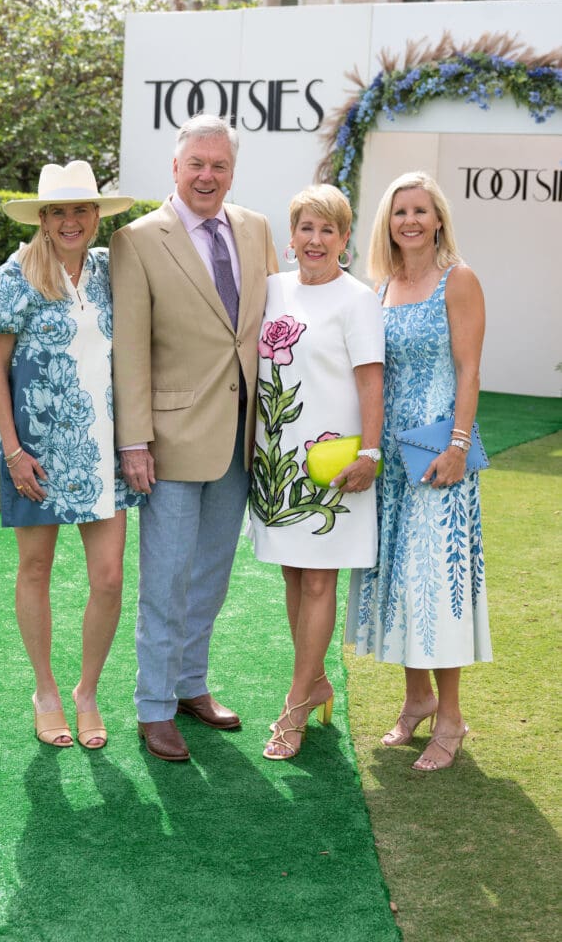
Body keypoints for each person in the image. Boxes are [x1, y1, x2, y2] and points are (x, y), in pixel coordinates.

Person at [110, 113, 279, 762]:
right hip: (170, 442)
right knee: (166, 578)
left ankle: (189, 686)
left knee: (209, 574)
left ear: (231, 172)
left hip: (241, 439)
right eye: (196, 164)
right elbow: (130, 349)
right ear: (174, 168)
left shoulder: (256, 228)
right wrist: (134, 442)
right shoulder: (136, 242)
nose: (207, 175)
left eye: (219, 165)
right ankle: (153, 707)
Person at [0, 160, 143, 750]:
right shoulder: (9, 281)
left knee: (111, 577)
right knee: (36, 568)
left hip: (102, 452)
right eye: (60, 211)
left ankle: (86, 690)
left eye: (82, 209)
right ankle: (45, 689)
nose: (72, 221)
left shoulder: (111, 273)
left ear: (97, 216)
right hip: (36, 453)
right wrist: (13, 451)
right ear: (43, 219)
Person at [346, 170, 492, 771]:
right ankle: (416, 700)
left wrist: (457, 446)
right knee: (403, 583)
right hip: (392, 462)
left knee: (437, 586)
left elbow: (470, 371)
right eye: (399, 211)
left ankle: (451, 716)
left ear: (437, 220)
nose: (409, 220)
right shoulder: (378, 289)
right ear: (389, 222)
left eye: (419, 211)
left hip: (438, 458)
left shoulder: (459, 280)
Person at [248, 183, 385, 760]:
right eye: (307, 227)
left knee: (321, 580)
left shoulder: (357, 299)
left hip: (335, 462)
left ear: (345, 240)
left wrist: (371, 455)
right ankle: (317, 680)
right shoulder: (272, 289)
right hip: (278, 459)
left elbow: (371, 380)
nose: (316, 239)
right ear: (292, 235)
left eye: (328, 229)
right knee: (293, 578)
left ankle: (297, 702)